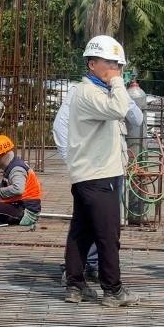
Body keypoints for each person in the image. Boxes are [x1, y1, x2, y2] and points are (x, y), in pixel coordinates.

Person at [63, 35, 140, 307]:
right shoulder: (90, 93)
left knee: (81, 232)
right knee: (108, 235)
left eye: (118, 65)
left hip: (90, 175)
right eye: (110, 63)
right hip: (98, 176)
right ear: (92, 64)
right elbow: (120, 108)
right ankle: (113, 290)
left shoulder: (93, 92)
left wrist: (114, 82)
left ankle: (75, 285)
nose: (115, 69)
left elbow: (133, 115)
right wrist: (118, 81)